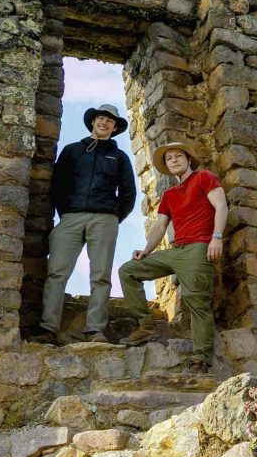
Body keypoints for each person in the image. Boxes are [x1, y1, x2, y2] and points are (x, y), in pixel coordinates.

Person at [29, 104, 136, 345]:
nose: (105, 123)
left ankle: (95, 330)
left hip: (104, 219)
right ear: (93, 122)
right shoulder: (72, 151)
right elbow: (57, 185)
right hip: (70, 218)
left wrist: (114, 216)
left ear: (115, 127)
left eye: (110, 121)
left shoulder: (119, 157)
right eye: (101, 118)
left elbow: (128, 192)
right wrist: (65, 212)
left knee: (101, 276)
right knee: (56, 272)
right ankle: (48, 328)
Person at [118, 142, 227, 371]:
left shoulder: (204, 178)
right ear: (166, 166)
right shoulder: (169, 195)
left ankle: (201, 359)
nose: (174, 160)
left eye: (179, 156)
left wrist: (216, 237)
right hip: (176, 250)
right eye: (169, 158)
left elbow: (221, 206)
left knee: (196, 302)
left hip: (198, 247)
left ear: (188, 160)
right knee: (128, 270)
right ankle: (146, 326)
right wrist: (146, 250)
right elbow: (159, 227)